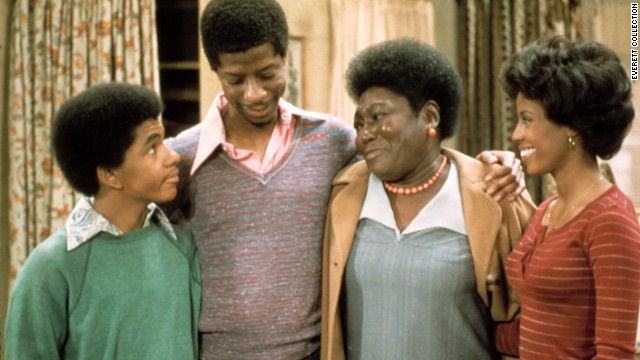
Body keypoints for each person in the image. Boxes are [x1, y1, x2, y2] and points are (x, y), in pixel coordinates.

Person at [163, 1, 524, 358]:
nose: (254, 92)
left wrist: (490, 165)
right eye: (236, 80)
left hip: (316, 352)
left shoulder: (332, 139)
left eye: (268, 73)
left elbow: (410, 153)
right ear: (215, 70)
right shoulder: (183, 157)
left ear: (285, 58)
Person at [320, 38, 537, 360]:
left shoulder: (494, 194)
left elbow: (529, 319)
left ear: (431, 117)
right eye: (360, 124)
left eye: (378, 116)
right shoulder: (344, 193)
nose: (365, 133)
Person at [3, 83, 201, 359]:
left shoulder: (183, 249)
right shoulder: (50, 269)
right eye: (153, 148)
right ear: (110, 174)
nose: (173, 156)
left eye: (163, 142)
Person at [494, 36, 640, 359]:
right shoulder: (547, 210)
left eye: (527, 119)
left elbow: (615, 354)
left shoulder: (609, 220)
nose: (516, 134)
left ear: (572, 126)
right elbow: (539, 329)